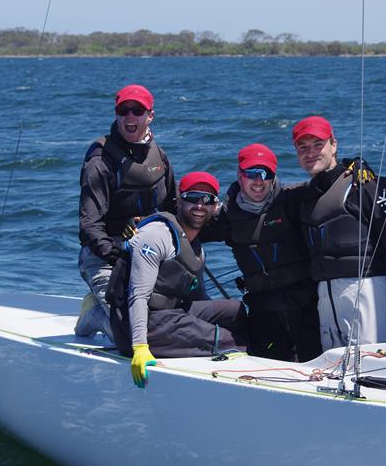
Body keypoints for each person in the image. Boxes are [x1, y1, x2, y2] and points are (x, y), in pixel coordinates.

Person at [292, 115, 386, 351]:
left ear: (334, 144)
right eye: (303, 147)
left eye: (318, 144)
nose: (310, 152)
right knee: (333, 369)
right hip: (326, 298)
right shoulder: (304, 197)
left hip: (368, 294)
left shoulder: (368, 186)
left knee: (372, 365)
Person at [108, 171, 248, 388]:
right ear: (179, 201)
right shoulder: (156, 236)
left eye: (208, 200)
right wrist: (139, 347)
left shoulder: (196, 251)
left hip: (170, 315)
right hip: (142, 324)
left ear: (215, 206)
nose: (200, 206)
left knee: (235, 311)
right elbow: (138, 295)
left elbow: (201, 299)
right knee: (229, 341)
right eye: (193, 198)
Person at [200, 143, 321, 362]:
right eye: (251, 173)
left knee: (314, 365)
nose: (258, 181)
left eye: (265, 174)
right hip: (263, 311)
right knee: (268, 368)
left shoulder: (293, 199)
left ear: (274, 176)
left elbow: (328, 185)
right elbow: (189, 228)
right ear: (239, 175)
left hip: (307, 307)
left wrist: (353, 167)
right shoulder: (227, 216)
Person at [76, 84, 177, 340]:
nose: (130, 117)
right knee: (131, 335)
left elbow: (173, 208)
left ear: (150, 115)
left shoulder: (160, 156)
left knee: (167, 320)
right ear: (116, 115)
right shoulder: (99, 161)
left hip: (149, 253)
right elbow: (90, 225)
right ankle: (94, 315)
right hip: (105, 257)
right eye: (123, 111)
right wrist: (116, 253)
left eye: (137, 111)